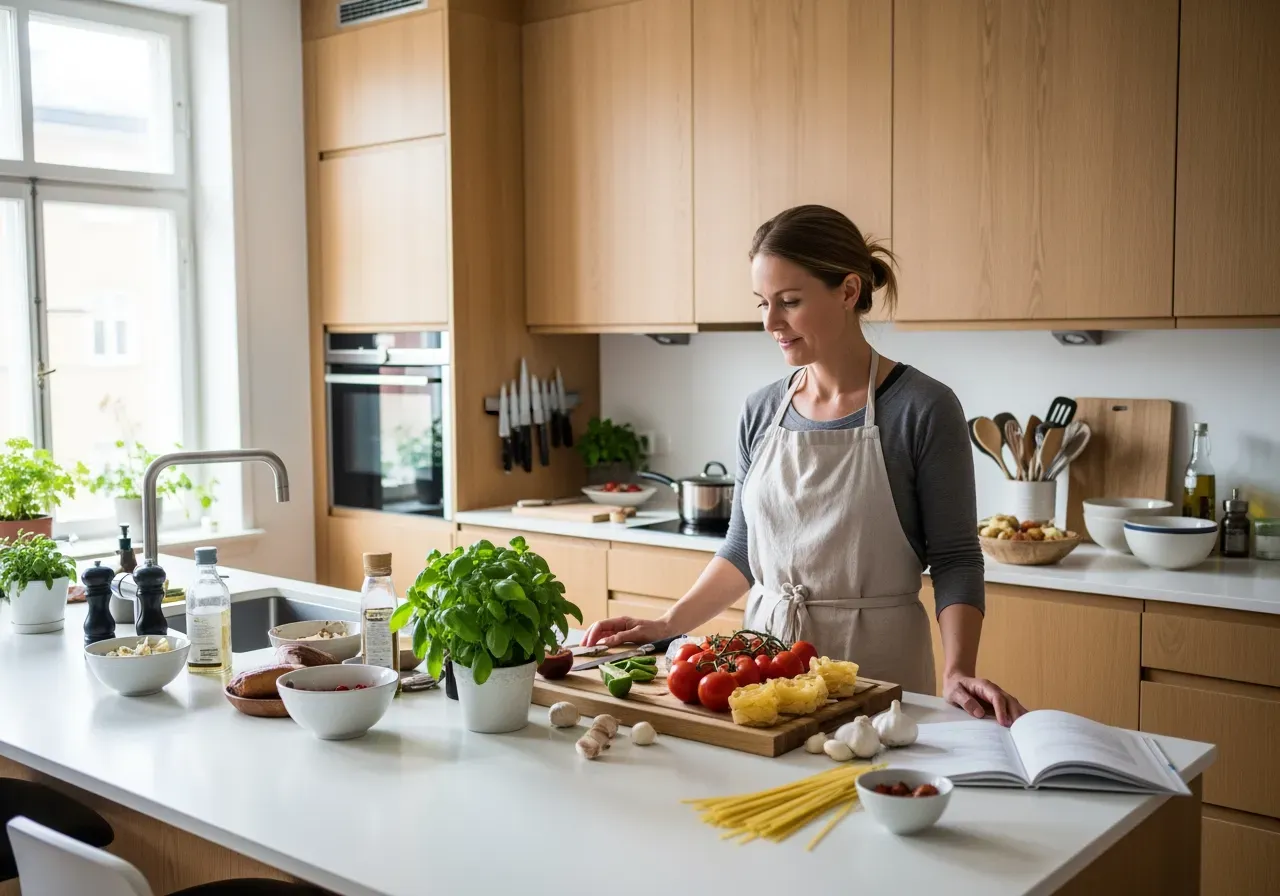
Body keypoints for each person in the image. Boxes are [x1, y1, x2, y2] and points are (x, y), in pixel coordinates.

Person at [584, 205, 1027, 725]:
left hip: (878, 672)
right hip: (765, 669)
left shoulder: (923, 408)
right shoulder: (760, 409)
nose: (771, 323)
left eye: (789, 302)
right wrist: (667, 623)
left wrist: (958, 670)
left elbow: (954, 557)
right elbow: (744, 548)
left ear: (848, 291)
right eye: (763, 303)